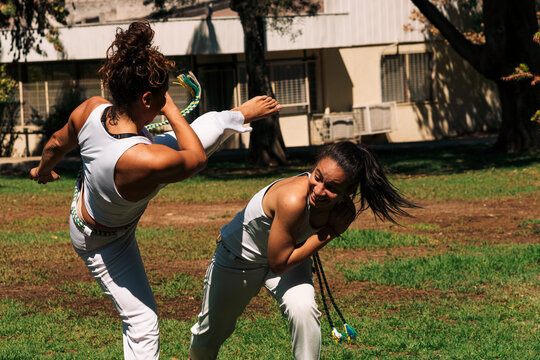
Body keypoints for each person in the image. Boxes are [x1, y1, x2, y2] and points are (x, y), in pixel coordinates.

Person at [29, 20, 281, 359]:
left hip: (102, 200)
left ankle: (236, 115)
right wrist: (171, 108)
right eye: (161, 97)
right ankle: (233, 117)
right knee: (143, 322)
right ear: (148, 99)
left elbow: (57, 143)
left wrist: (42, 170)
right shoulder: (141, 159)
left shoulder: (92, 109)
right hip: (103, 242)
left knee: (203, 132)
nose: (166, 101)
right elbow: (194, 159)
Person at [188, 141, 417, 360]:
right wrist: (329, 233)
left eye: (332, 188)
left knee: (303, 309)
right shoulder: (292, 198)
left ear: (349, 191)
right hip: (239, 260)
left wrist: (328, 230)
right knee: (209, 336)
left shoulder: (342, 209)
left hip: (290, 259)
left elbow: (281, 263)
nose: (319, 190)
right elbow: (278, 263)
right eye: (317, 177)